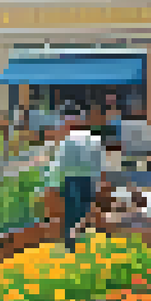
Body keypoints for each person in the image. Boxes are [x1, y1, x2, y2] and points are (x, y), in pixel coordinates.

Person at [42, 106, 106, 247]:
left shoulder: (67, 141)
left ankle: (71, 244)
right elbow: (99, 165)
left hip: (71, 181)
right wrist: (98, 183)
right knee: (86, 212)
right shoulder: (95, 140)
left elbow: (59, 165)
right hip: (89, 181)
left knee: (72, 215)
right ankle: (86, 242)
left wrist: (51, 185)